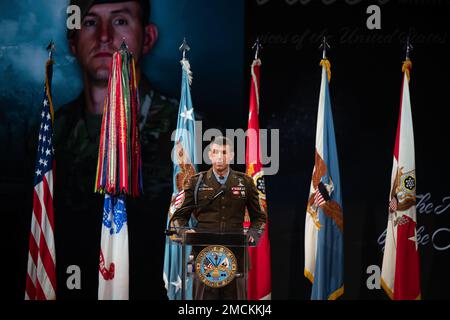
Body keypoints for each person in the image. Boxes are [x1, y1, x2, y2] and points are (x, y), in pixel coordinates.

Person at [52, 0, 178, 299]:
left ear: (147, 38)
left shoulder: (188, 132)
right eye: (91, 22)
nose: (105, 37)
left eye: (120, 21)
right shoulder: (49, 134)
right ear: (73, 40)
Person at [171, 136, 267, 300]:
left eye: (224, 152)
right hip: (203, 255)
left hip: (236, 256)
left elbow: (259, 218)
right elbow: (179, 217)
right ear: (210, 155)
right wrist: (186, 232)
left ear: (231, 156)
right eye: (215, 152)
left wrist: (253, 234)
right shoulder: (196, 182)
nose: (220, 157)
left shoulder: (245, 182)